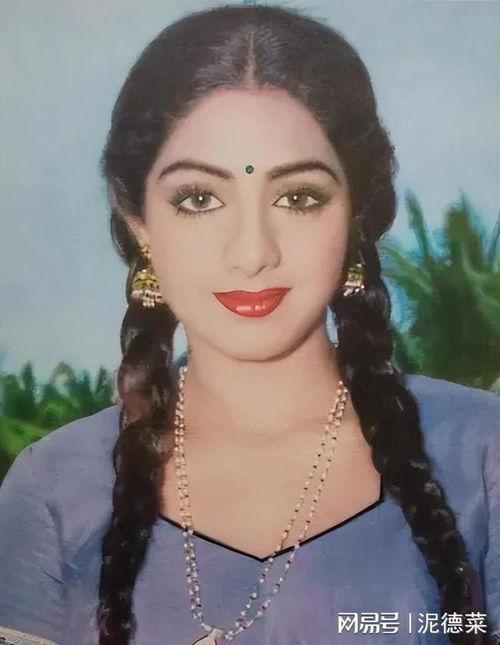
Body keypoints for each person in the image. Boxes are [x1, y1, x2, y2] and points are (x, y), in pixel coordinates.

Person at [0, 4, 498, 645]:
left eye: (299, 197)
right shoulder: (52, 490)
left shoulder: (481, 454)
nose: (252, 252)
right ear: (137, 220)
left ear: (356, 213)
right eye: (199, 198)